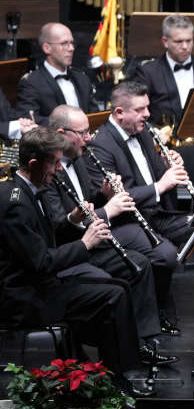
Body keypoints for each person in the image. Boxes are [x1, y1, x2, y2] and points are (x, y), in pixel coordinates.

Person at [0, 126, 142, 379]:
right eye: (54, 163)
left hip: (40, 286)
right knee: (113, 296)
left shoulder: (31, 189)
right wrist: (85, 244)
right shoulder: (16, 204)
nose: (58, 169)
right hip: (24, 299)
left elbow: (47, 239)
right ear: (33, 164)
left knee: (118, 286)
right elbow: (42, 261)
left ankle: (107, 371)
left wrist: (73, 222)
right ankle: (120, 378)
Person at [40, 105, 175, 362]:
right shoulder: (51, 169)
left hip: (91, 238)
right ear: (61, 133)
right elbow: (60, 225)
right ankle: (111, 356)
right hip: (72, 247)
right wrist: (107, 210)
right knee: (111, 281)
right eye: (83, 132)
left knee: (140, 263)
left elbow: (85, 204)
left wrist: (103, 195)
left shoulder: (78, 159)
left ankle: (143, 342)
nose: (89, 137)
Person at [84, 80, 194, 334]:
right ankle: (159, 315)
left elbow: (156, 174)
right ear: (119, 113)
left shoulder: (143, 132)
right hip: (129, 220)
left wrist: (168, 165)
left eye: (148, 107)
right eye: (140, 109)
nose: (147, 114)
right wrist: (161, 186)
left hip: (157, 214)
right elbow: (121, 196)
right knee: (165, 255)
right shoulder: (100, 145)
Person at [133, 14, 194, 128]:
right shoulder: (147, 73)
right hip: (165, 143)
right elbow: (137, 114)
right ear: (165, 42)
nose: (185, 46)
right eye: (179, 41)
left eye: (189, 40)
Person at [17, 22, 97, 123]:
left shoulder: (82, 78)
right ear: (47, 48)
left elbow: (95, 115)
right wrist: (67, 127)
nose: (71, 48)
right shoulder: (31, 83)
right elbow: (29, 121)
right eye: (64, 44)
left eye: (72, 43)